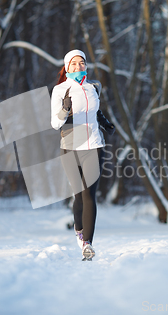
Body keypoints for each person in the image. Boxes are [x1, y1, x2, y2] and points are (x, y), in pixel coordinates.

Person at [50, 49, 115, 261]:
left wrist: (105, 123)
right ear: (67, 67)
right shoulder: (60, 90)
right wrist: (64, 110)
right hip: (70, 148)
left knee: (89, 195)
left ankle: (87, 243)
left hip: (94, 146)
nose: (78, 67)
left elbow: (95, 111)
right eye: (74, 64)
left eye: (82, 63)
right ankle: (78, 228)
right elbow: (55, 123)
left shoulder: (93, 87)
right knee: (78, 195)